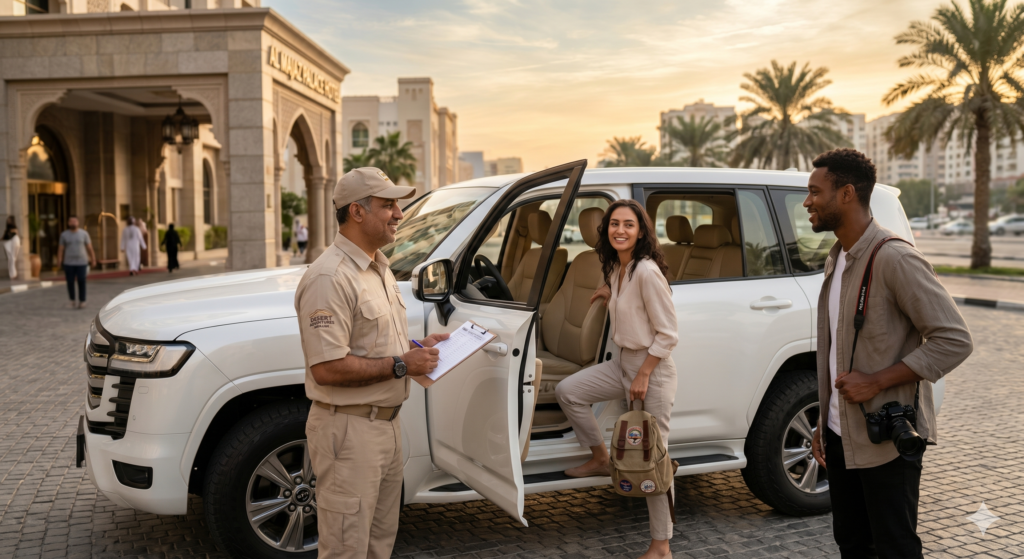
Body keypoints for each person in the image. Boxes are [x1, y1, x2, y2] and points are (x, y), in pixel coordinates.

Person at [805, 149, 973, 559]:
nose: (807, 201)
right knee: (853, 543)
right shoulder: (837, 259)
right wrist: (823, 422)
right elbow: (837, 354)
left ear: (846, 194)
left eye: (815, 192)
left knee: (895, 546)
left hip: (887, 438)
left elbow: (954, 339)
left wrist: (878, 381)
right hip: (840, 435)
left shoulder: (895, 257)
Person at [294, 167, 449, 558]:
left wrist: (417, 349)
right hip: (349, 433)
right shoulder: (329, 277)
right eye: (389, 205)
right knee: (347, 548)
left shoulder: (376, 266)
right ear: (357, 212)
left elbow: (370, 344)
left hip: (385, 427)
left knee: (379, 545)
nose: (399, 213)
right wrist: (403, 365)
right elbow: (327, 369)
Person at [555, 199, 678, 559]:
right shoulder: (619, 268)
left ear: (641, 232)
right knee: (569, 390)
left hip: (650, 369)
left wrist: (644, 374)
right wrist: (609, 293)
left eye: (628, 225)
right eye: (614, 224)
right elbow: (628, 302)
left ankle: (661, 545)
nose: (620, 230)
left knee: (652, 460)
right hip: (621, 362)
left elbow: (668, 334)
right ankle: (600, 457)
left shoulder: (646, 271)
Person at [57, 216, 96, 309]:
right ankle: (72, 300)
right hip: (68, 263)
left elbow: (89, 247)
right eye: (71, 221)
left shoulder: (84, 234)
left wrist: (93, 259)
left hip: (82, 262)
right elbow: (61, 249)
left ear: (78, 222)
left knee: (81, 280)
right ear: (68, 223)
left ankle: (82, 301)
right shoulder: (64, 235)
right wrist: (59, 259)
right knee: (70, 282)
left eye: (75, 221)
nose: (73, 223)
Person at [3, 216, 19, 280]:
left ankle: (13, 274)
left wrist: (9, 231)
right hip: (10, 242)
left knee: (12, 257)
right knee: (11, 258)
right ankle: (12, 274)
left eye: (9, 219)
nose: (8, 220)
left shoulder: (13, 228)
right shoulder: (8, 229)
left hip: (15, 241)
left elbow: (15, 232)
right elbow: (5, 237)